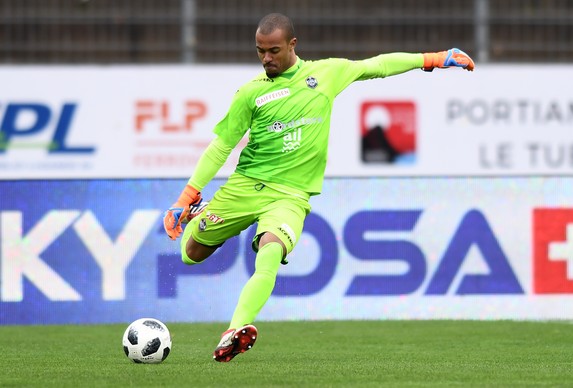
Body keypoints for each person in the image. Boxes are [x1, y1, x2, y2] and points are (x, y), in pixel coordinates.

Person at [163, 12, 475, 362]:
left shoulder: (325, 74)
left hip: (291, 196)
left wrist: (433, 59)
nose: (266, 58)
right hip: (245, 186)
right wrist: (186, 196)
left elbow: (379, 65)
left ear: (293, 45)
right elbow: (220, 147)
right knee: (190, 255)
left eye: (274, 51)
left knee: (270, 250)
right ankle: (200, 217)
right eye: (260, 51)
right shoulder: (250, 93)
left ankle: (233, 331)